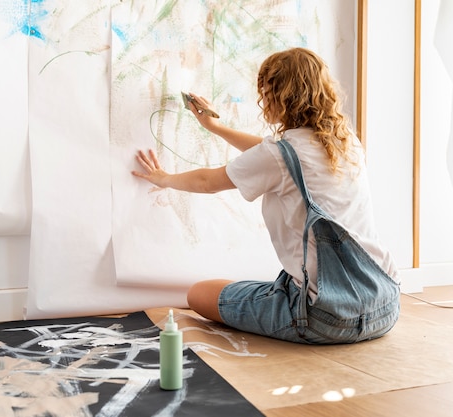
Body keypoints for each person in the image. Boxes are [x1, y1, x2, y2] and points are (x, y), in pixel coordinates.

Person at [132, 47, 400, 344]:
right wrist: (216, 128)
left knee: (199, 293)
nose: (261, 100)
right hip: (384, 305)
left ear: (280, 95)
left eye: (265, 91)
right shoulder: (343, 141)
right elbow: (273, 153)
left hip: (325, 317)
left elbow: (210, 181)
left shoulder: (279, 155)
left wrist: (164, 179)